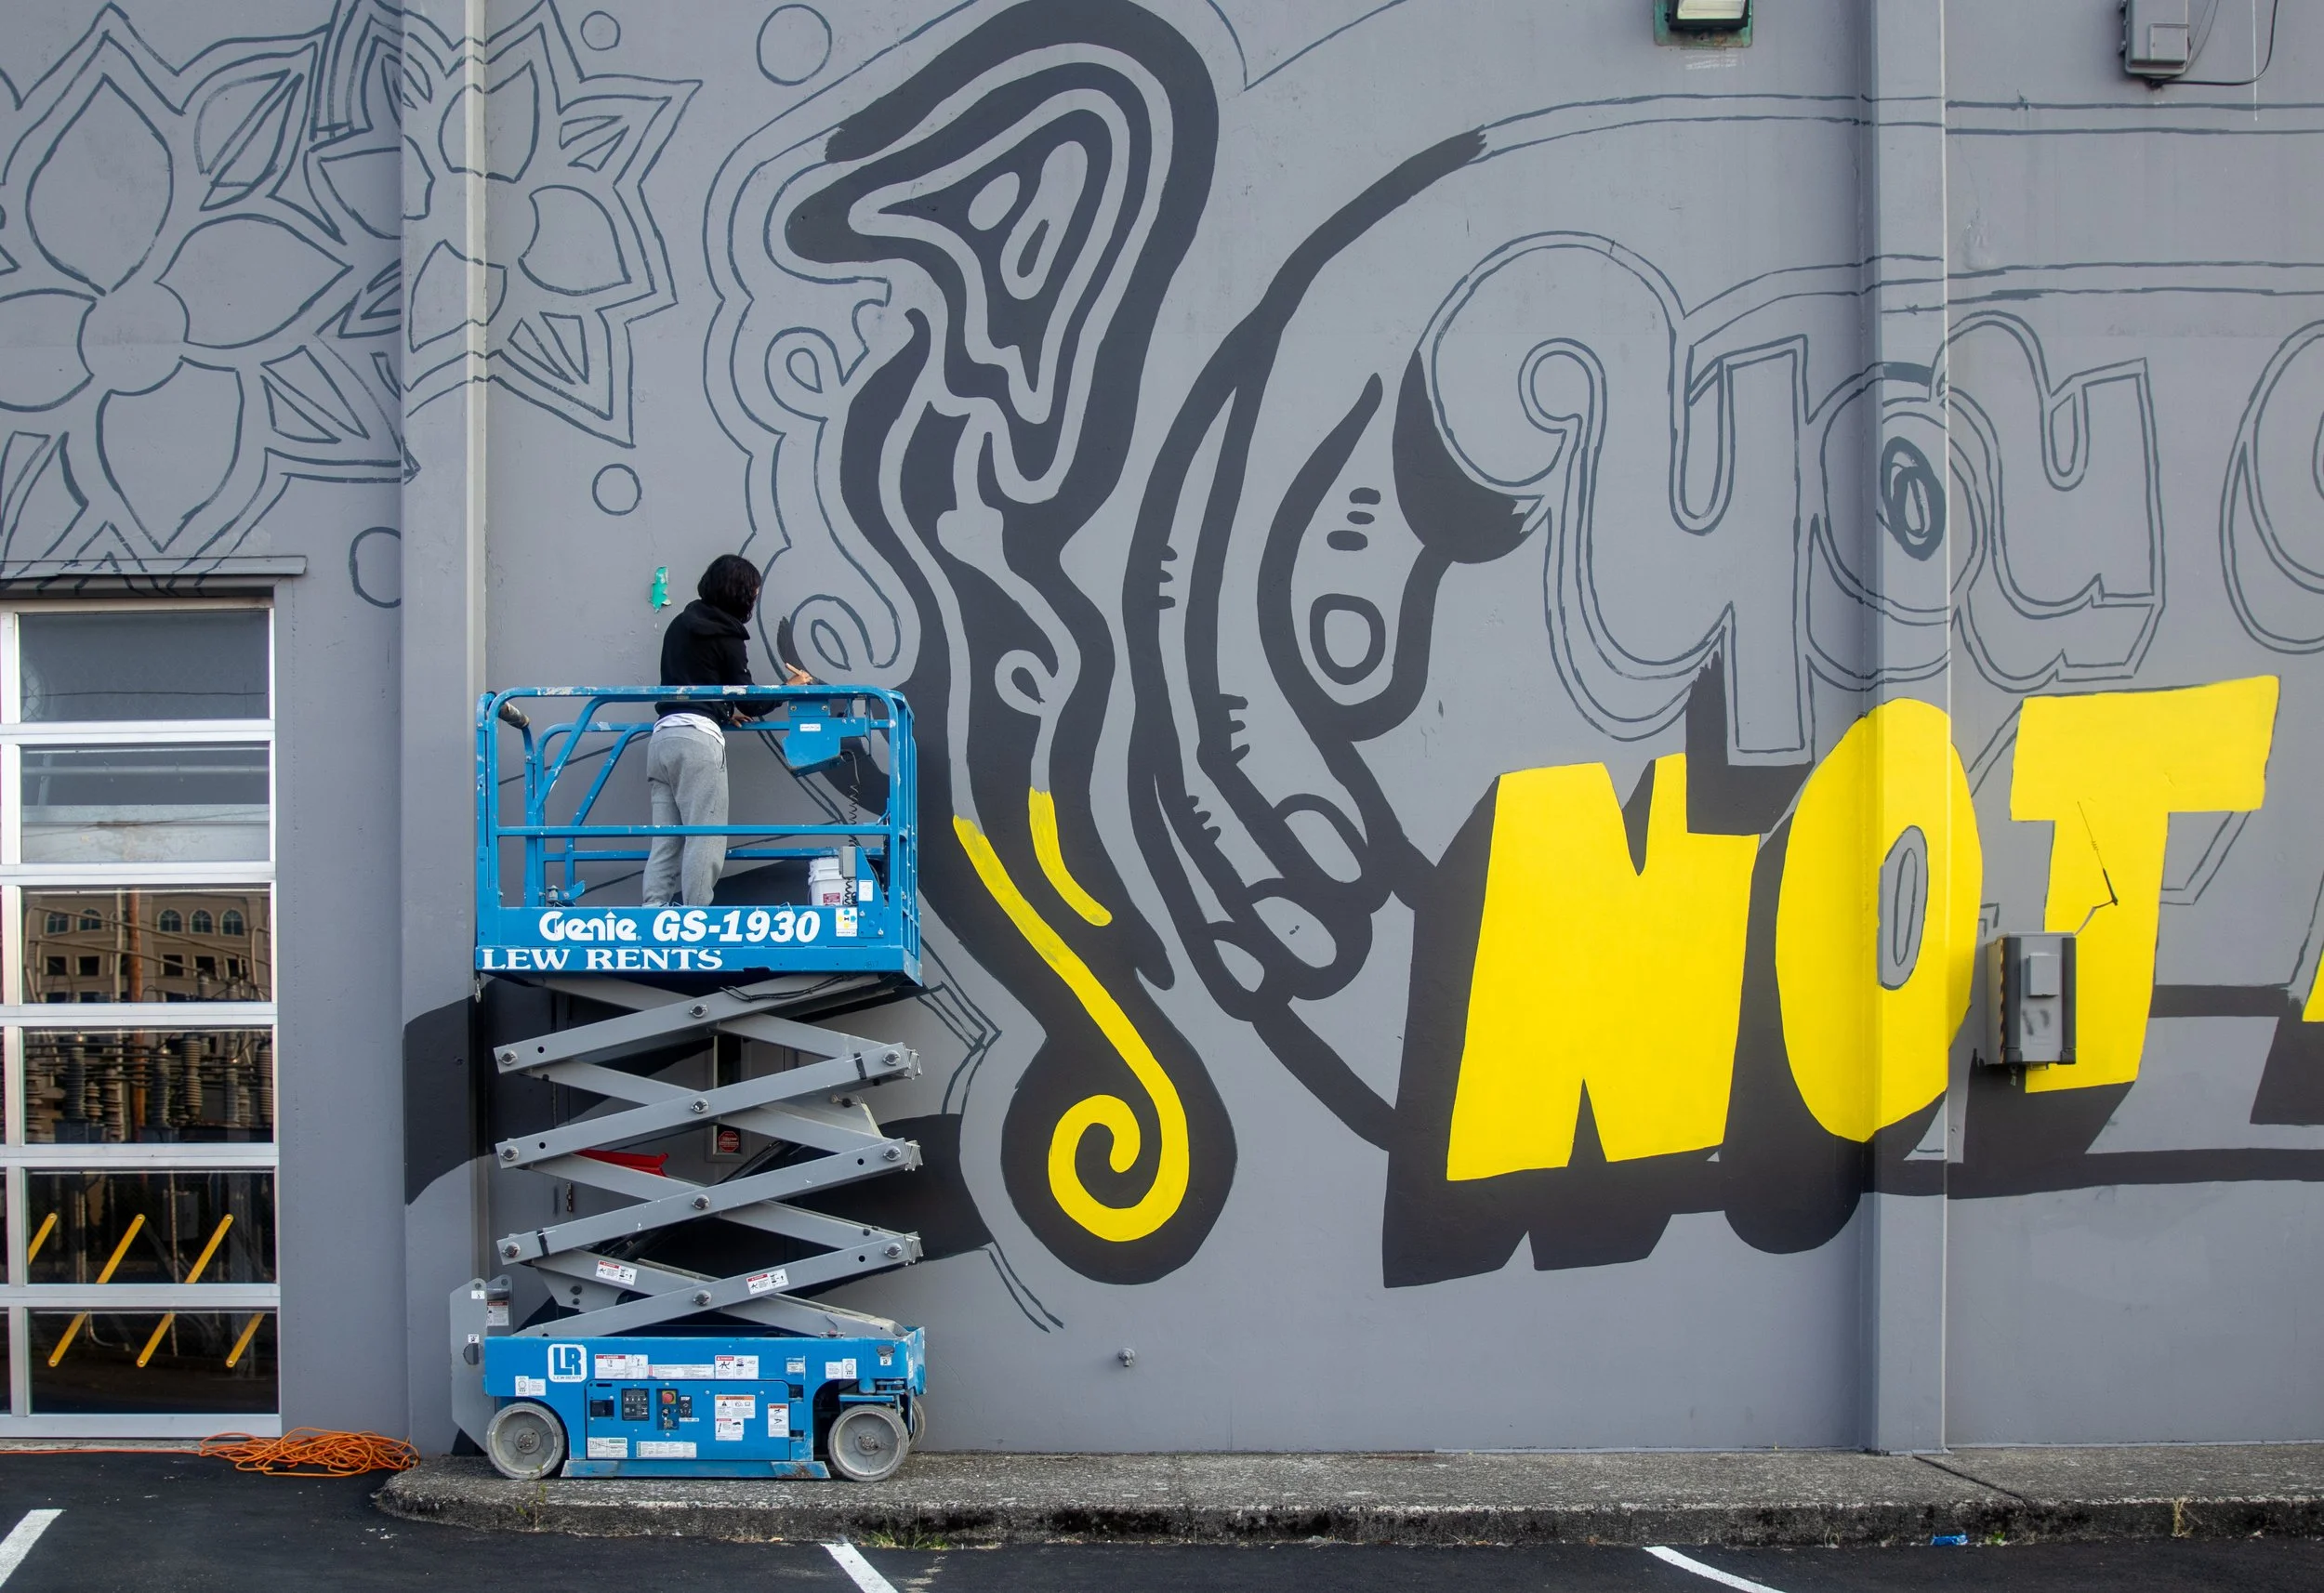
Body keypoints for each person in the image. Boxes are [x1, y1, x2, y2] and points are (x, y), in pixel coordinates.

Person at [642, 555, 812, 907]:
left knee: (667, 839)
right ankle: (696, 917)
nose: (753, 599)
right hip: (698, 742)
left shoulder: (680, 624)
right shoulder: (728, 635)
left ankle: (653, 911)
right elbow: (750, 701)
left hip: (663, 739)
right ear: (740, 593)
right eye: (752, 592)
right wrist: (789, 687)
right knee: (706, 837)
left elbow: (692, 681)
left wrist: (720, 709)